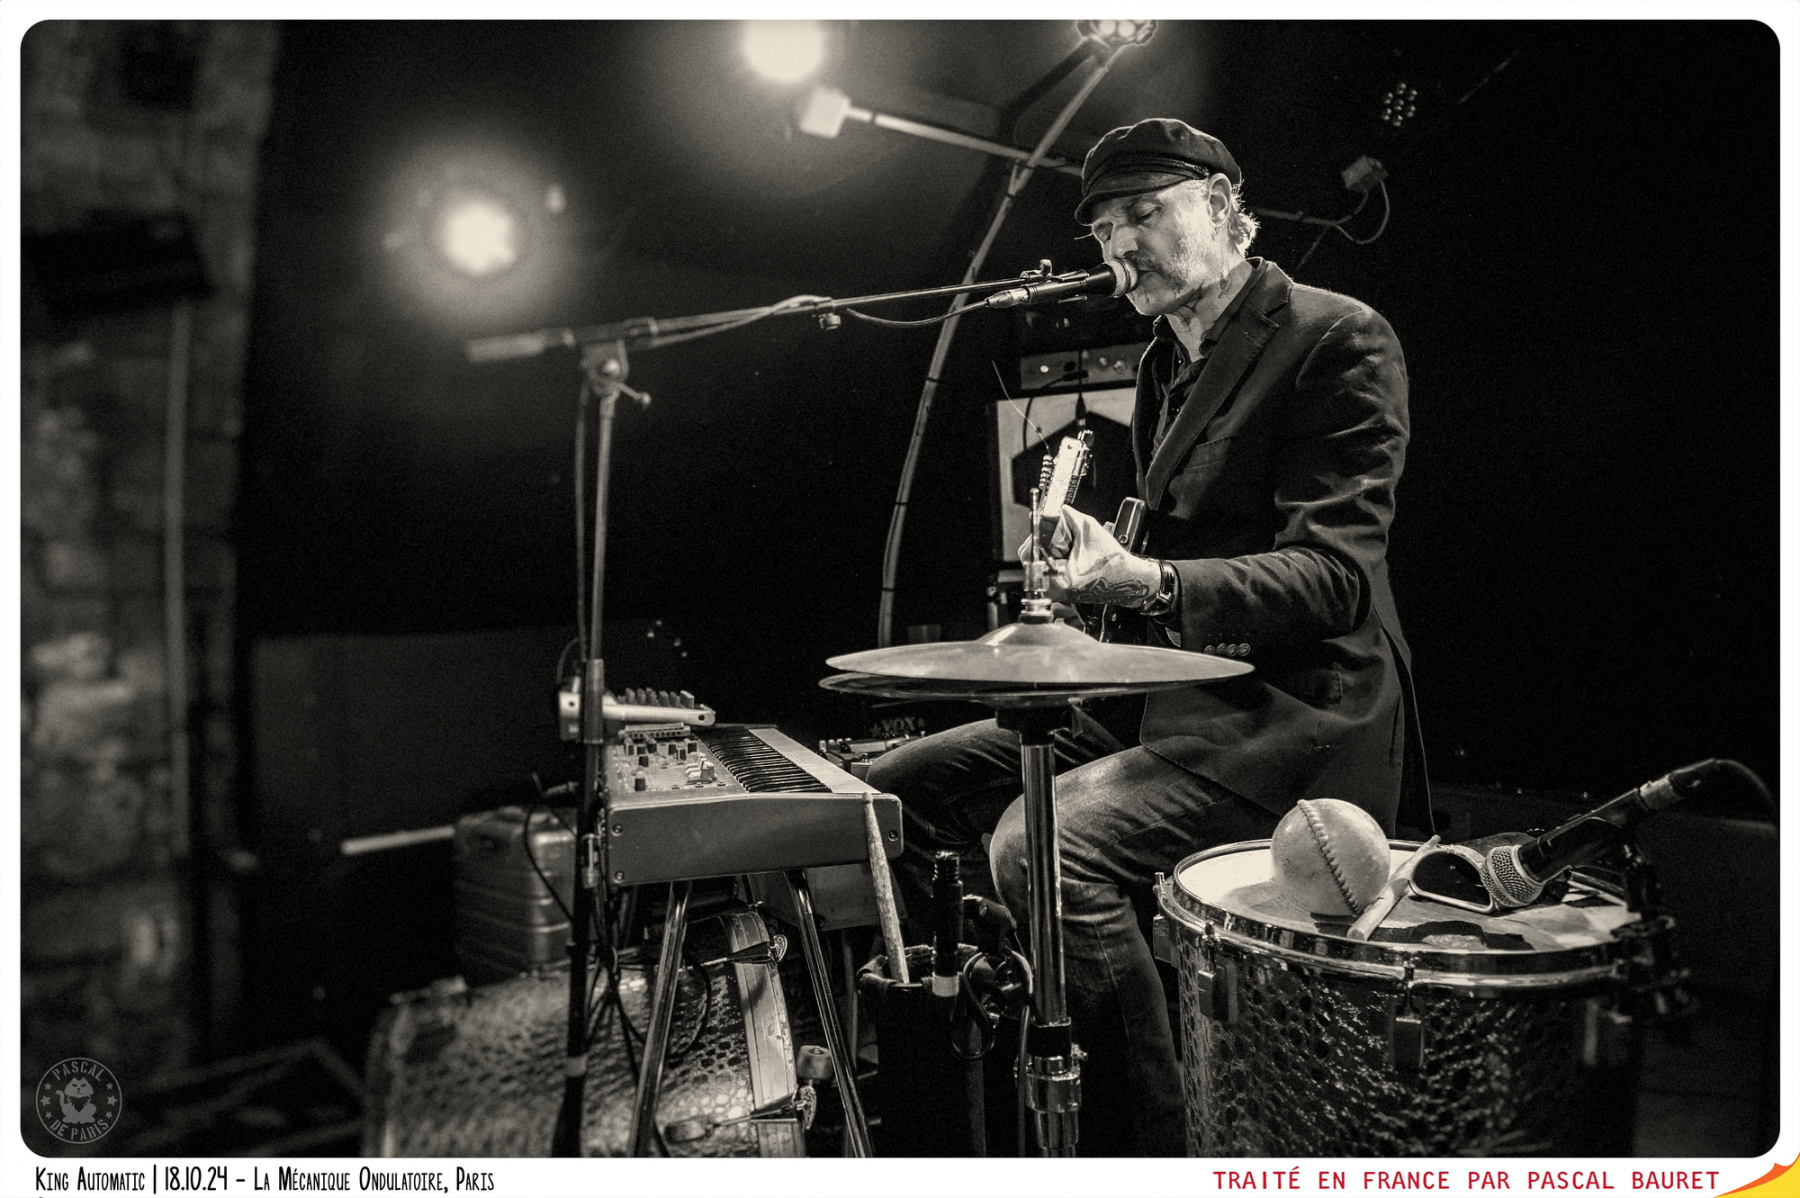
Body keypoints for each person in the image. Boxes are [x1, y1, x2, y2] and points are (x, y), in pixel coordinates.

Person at [866, 117, 1428, 1155]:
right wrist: (1099, 566)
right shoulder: (1168, 359)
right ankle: (1008, 1034)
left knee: (1041, 845)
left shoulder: (1336, 336)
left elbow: (1336, 577)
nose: (1120, 244)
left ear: (1221, 208)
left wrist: (1148, 580)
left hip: (1291, 715)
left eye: (1143, 213)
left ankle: (1148, 1140)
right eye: (1103, 229)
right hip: (1170, 696)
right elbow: (1168, 547)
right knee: (897, 793)